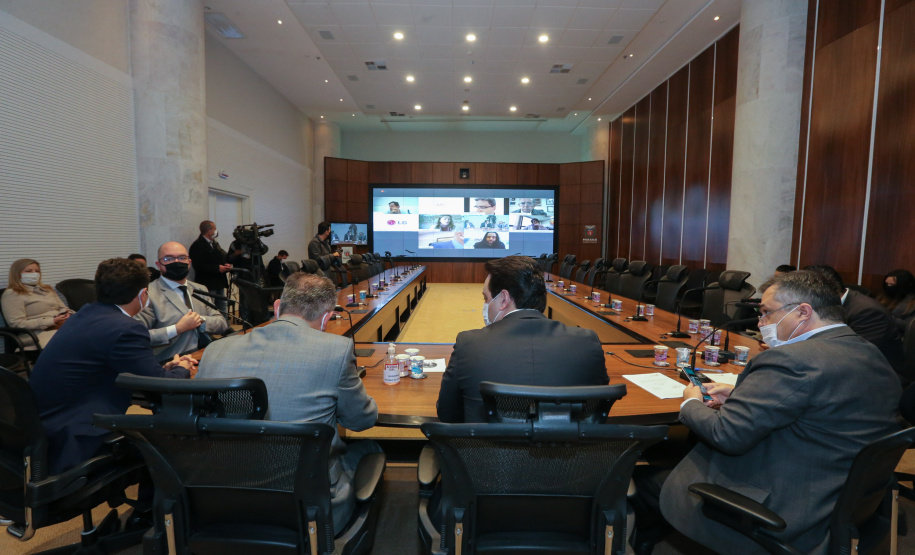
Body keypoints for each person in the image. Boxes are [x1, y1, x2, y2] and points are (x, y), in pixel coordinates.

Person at [652, 271, 901, 555]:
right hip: (835, 497)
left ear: (803, 312)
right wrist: (742, 395)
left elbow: (727, 435)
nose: (761, 323)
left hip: (785, 511)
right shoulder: (870, 353)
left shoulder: (791, 360)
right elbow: (822, 402)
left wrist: (690, 404)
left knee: (653, 480)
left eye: (766, 313)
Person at [195, 272, 379, 534]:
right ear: (326, 318)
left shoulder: (215, 350)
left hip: (223, 495)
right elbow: (361, 420)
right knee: (370, 448)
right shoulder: (336, 349)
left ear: (278, 306)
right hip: (305, 506)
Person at [29, 258, 194, 474]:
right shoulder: (125, 329)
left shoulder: (85, 314)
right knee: (175, 443)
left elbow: (125, 366)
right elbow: (164, 389)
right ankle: (157, 496)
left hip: (47, 424)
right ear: (143, 294)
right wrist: (182, 368)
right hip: (80, 433)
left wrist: (163, 371)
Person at [436, 256, 608, 423]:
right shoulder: (587, 342)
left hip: (491, 443)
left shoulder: (469, 345)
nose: (485, 305)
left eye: (486, 298)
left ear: (503, 299)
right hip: (564, 442)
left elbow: (447, 414)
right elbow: (598, 411)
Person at [135, 241, 229, 359]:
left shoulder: (200, 289)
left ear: (189, 262)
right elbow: (138, 337)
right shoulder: (147, 294)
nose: (177, 262)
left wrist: (200, 320)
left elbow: (222, 324)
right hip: (170, 361)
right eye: (169, 259)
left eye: (182, 258)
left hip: (204, 355)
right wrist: (177, 329)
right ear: (158, 265)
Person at [805, 264, 904, 373]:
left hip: (875, 374)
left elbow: (853, 354)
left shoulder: (869, 312)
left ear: (823, 291)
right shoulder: (826, 306)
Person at [1, 258, 72, 347]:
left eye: (37, 271)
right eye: (29, 271)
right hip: (37, 333)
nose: (34, 273)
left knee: (85, 330)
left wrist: (67, 314)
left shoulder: (47, 289)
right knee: (74, 339)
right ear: (17, 274)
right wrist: (51, 321)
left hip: (61, 325)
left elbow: (63, 308)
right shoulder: (12, 293)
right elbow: (17, 323)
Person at [188, 220, 232, 312]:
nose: (216, 231)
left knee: (222, 306)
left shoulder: (214, 243)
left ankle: (223, 321)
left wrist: (225, 264)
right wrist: (217, 268)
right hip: (208, 283)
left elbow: (222, 256)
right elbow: (198, 266)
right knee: (210, 308)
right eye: (214, 229)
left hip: (219, 282)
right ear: (209, 231)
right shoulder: (197, 246)